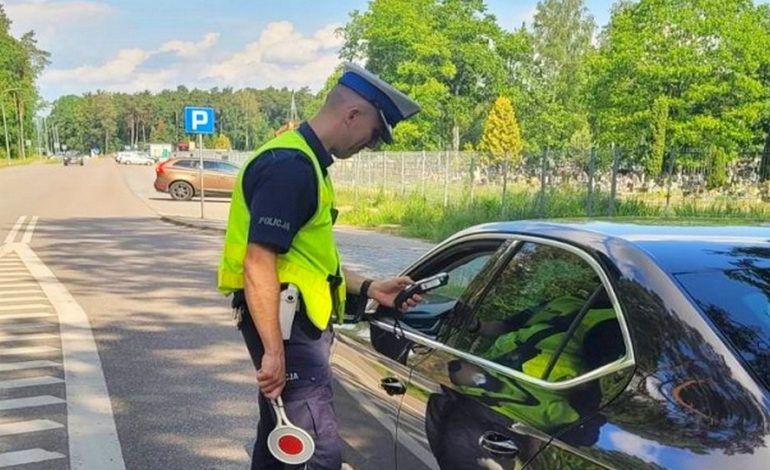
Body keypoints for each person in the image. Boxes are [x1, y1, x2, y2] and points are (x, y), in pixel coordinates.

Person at [218, 63, 422, 469]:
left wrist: (369, 287)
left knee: (282, 445)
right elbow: (258, 262)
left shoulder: (307, 163)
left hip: (293, 328)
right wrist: (274, 352)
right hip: (289, 333)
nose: (371, 144)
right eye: (374, 134)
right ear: (352, 115)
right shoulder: (290, 167)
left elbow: (307, 262)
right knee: (314, 453)